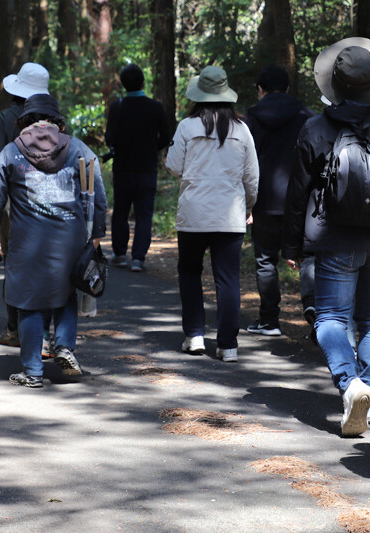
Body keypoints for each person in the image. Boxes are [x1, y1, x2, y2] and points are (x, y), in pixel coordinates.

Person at [282, 38, 370, 437]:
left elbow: (297, 193)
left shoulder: (316, 128)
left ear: (335, 83)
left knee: (330, 317)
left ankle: (350, 384)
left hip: (332, 237)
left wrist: (291, 245)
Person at [0, 93, 107, 388]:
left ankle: (33, 371)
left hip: (27, 242)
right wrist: (97, 233)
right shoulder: (77, 148)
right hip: (71, 239)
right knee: (66, 292)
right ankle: (64, 346)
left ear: (24, 120)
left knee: (29, 303)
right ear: (57, 122)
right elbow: (97, 192)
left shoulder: (11, 152)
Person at [165, 66, 259, 362]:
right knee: (228, 278)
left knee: (190, 273)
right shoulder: (242, 129)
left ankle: (194, 336)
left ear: (199, 95)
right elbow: (252, 177)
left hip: (194, 213)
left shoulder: (186, 126)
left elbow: (173, 166)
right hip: (229, 215)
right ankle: (228, 344)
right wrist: (249, 207)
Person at [0, 62, 51, 347]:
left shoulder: (5, 118)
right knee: (47, 261)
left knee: (16, 262)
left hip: (12, 204)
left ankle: (14, 328)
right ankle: (44, 329)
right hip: (50, 200)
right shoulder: (55, 117)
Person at [244, 65, 312, 336]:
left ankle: (269, 320)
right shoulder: (306, 116)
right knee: (308, 258)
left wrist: (246, 203)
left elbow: (245, 162)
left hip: (263, 201)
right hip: (301, 200)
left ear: (260, 90)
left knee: (265, 260)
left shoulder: (250, 118)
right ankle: (316, 312)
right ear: (286, 87)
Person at [104, 63, 171, 273]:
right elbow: (167, 137)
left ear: (123, 85)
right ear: (143, 82)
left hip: (122, 169)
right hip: (146, 170)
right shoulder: (155, 107)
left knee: (120, 212)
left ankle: (120, 254)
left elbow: (109, 139)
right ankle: (138, 259)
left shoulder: (117, 107)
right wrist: (152, 149)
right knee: (144, 215)